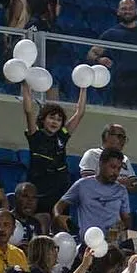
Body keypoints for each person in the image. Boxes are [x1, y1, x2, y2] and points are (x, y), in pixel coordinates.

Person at [87, 0, 137, 110]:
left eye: (130, 8)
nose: (127, 11)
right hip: (119, 82)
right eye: (124, 9)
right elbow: (91, 53)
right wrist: (99, 60)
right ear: (118, 11)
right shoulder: (111, 34)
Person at [22, 81, 87, 214]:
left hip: (59, 192)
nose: (55, 122)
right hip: (38, 192)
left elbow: (79, 113)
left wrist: (84, 86)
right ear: (43, 119)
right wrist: (25, 83)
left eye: (58, 120)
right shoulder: (35, 135)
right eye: (51, 118)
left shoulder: (62, 136)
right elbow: (29, 111)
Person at [53, 149, 131, 240]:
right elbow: (59, 205)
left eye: (119, 168)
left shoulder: (121, 190)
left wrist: (122, 225)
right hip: (87, 241)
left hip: (112, 242)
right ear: (101, 163)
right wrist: (57, 216)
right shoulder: (83, 185)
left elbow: (127, 220)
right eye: (113, 167)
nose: (116, 173)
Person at [78, 123, 137, 192]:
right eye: (119, 136)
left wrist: (118, 187)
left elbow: (135, 184)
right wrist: (118, 183)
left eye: (124, 138)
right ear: (107, 136)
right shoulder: (92, 154)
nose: (122, 141)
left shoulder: (125, 159)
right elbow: (88, 181)